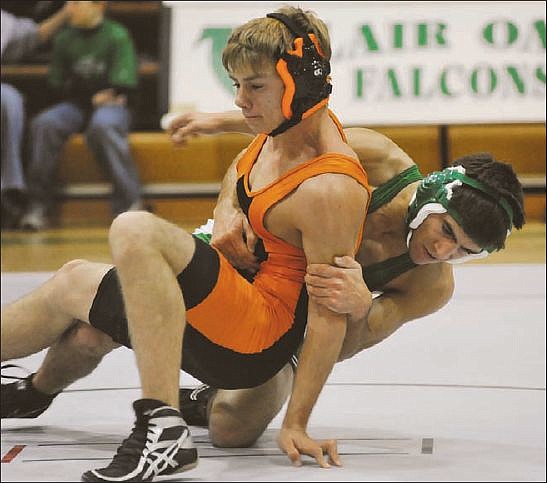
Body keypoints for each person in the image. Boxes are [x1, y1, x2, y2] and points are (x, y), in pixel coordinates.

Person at [2, 6, 374, 481]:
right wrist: (223, 184)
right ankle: (30, 394)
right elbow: (252, 138)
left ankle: (161, 428)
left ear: (301, 83)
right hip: (229, 313)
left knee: (134, 231)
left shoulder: (331, 187)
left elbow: (327, 314)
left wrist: (296, 422)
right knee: (79, 298)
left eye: (254, 87)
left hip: (254, 338)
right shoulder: (282, 126)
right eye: (236, 85)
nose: (241, 100)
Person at [18, 1, 144, 231]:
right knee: (44, 123)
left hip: (113, 107)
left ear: (99, 6)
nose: (70, 9)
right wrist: (92, 94)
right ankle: (38, 204)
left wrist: (87, 90)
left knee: (103, 125)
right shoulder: (65, 38)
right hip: (75, 105)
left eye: (76, 3)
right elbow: (56, 86)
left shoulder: (116, 35)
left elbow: (122, 86)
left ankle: (130, 203)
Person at [1, 5, 70, 228]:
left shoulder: (5, 20)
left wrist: (65, 12)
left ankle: (10, 187)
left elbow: (36, 34)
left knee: (11, 99)